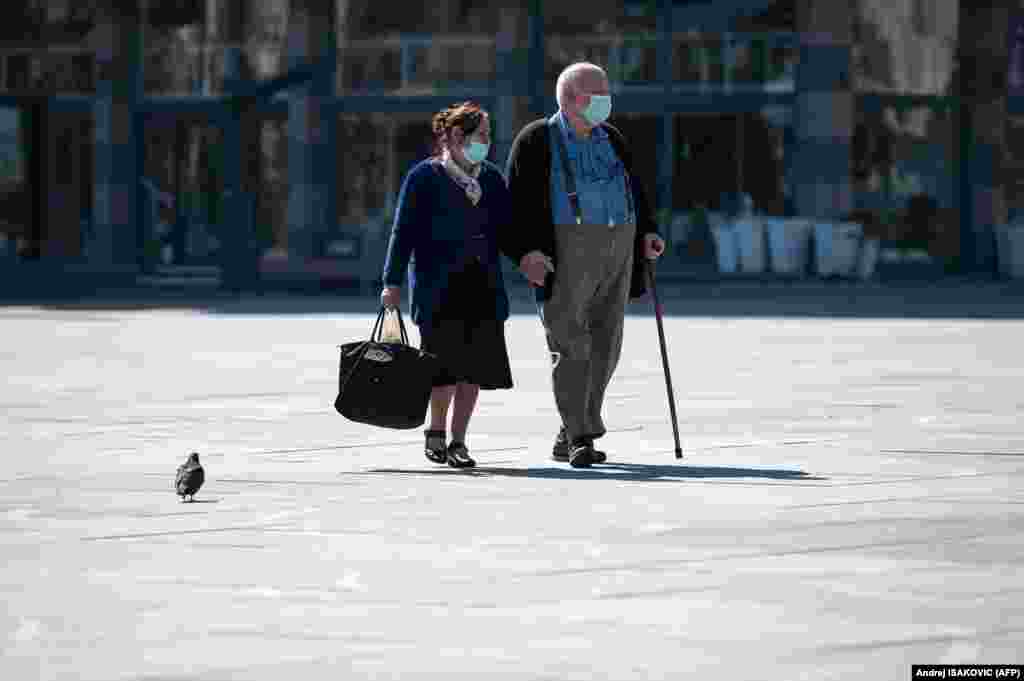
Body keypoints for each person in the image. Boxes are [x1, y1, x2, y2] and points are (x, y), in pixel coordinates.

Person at [505, 62, 666, 468]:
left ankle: (575, 424)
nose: (607, 101)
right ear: (572, 98)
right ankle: (579, 435)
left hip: (618, 250)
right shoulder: (536, 139)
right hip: (565, 252)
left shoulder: (611, 137)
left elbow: (635, 189)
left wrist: (647, 230)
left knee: (606, 346)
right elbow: (514, 206)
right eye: (598, 94)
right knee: (570, 345)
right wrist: (525, 253)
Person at [380, 101, 516, 468]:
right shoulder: (424, 177)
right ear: (457, 136)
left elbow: (508, 232)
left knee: (474, 369)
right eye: (481, 135)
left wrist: (531, 257)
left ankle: (459, 441)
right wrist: (391, 282)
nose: (487, 142)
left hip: (483, 288)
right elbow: (402, 232)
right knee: (442, 368)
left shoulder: (490, 178)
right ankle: (435, 431)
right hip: (438, 288)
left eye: (488, 136)